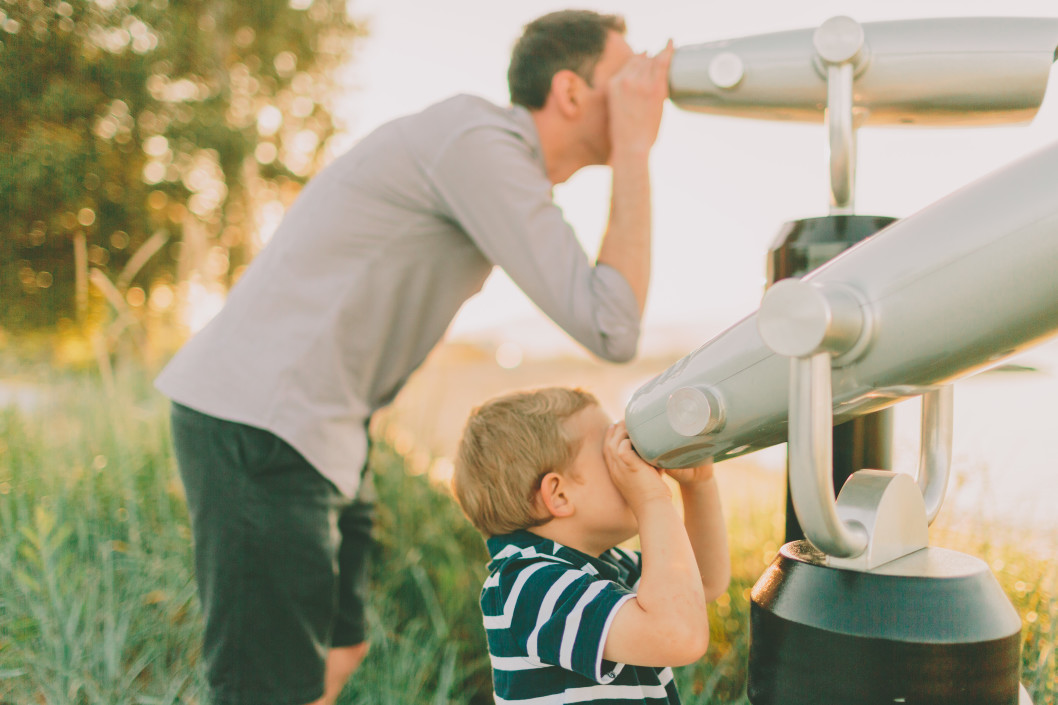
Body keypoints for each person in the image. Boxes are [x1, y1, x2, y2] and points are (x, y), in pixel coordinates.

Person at [156, 10, 674, 705]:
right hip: (261, 419)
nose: (646, 91)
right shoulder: (478, 142)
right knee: (265, 687)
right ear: (571, 92)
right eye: (627, 76)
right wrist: (636, 150)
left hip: (329, 429)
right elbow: (613, 326)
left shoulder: (496, 167)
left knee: (340, 650)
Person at [452, 387, 731, 704]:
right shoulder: (528, 584)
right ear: (559, 494)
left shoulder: (607, 564)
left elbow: (700, 581)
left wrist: (698, 486)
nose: (634, 458)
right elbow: (679, 635)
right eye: (611, 453)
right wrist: (652, 499)